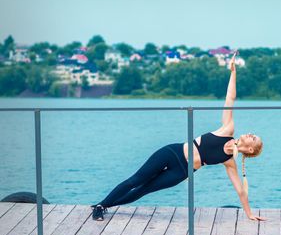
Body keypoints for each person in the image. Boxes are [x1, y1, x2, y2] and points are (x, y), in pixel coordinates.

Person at [91, 52, 265, 222]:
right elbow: (230, 98)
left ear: (250, 149)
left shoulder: (229, 161)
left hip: (180, 172)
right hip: (172, 153)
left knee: (143, 190)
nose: (251, 134)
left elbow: (240, 191)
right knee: (135, 180)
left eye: (254, 137)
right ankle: (101, 205)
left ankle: (104, 206)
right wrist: (233, 72)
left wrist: (249, 214)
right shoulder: (228, 129)